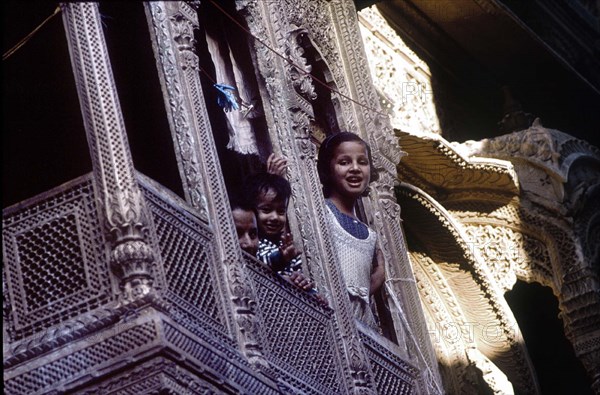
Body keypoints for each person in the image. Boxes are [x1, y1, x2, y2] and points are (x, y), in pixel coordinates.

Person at [317, 131, 385, 327]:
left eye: (362, 162)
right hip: (330, 321)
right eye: (344, 162)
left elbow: (358, 290)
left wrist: (376, 280)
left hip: (363, 329)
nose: (355, 168)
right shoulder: (321, 213)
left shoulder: (370, 236)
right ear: (328, 170)